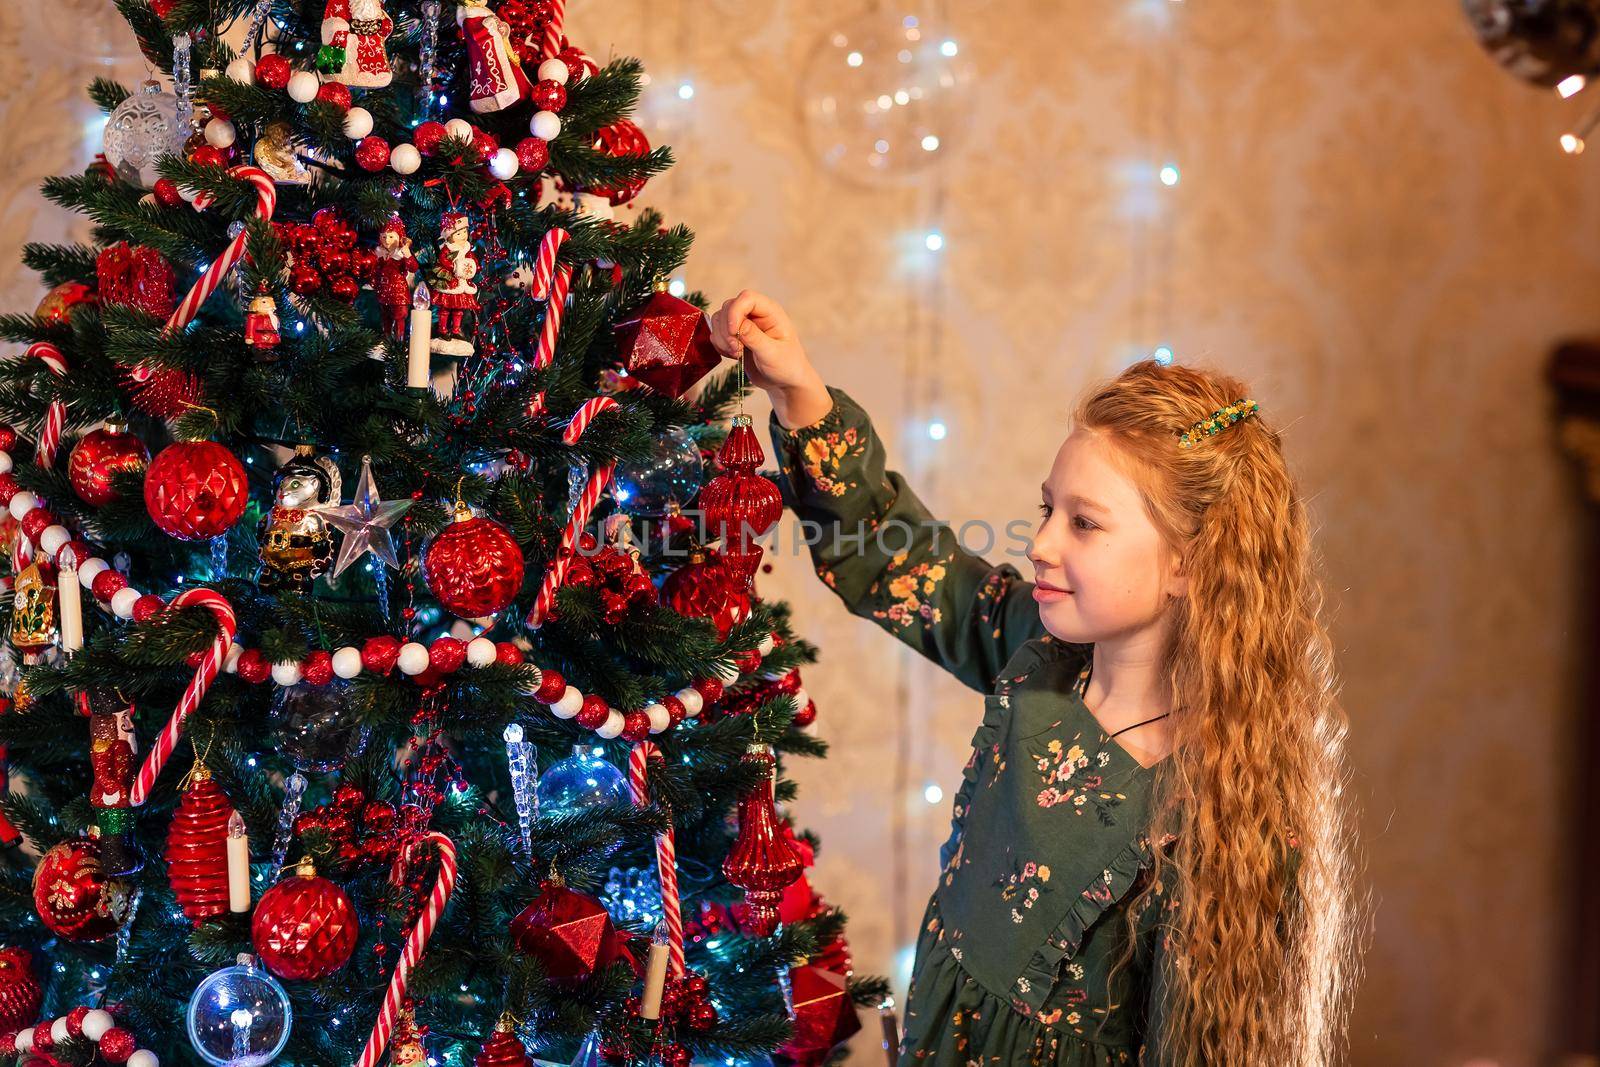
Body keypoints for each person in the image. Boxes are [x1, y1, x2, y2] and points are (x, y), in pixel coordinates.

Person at [709, 290, 1366, 1066]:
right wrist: (797, 389)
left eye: (1084, 522)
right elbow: (900, 560)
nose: (1041, 542)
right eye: (1048, 508)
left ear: (1192, 562)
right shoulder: (1040, 654)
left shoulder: (1227, 808)